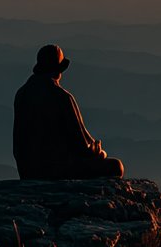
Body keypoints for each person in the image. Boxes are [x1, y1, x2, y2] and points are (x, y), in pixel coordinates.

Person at [13, 44, 124, 180]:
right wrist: (99, 152)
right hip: (58, 170)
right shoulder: (62, 96)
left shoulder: (22, 93)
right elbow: (82, 147)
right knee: (116, 166)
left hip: (28, 171)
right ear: (59, 70)